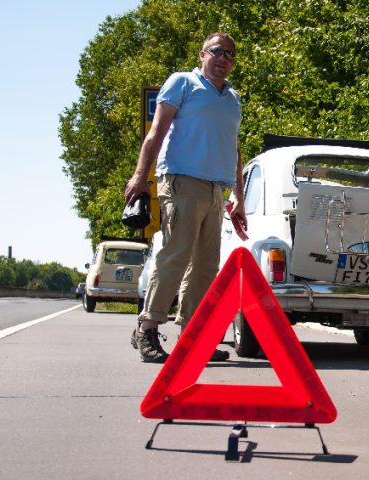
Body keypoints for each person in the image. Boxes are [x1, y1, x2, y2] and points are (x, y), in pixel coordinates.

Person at [125, 32, 246, 363]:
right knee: (175, 255)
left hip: (214, 191)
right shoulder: (183, 83)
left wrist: (238, 196)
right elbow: (157, 132)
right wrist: (140, 177)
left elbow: (233, 149)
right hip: (181, 181)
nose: (223, 59)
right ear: (202, 54)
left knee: (206, 266)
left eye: (230, 55)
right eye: (217, 52)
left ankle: (193, 338)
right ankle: (147, 330)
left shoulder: (232, 99)